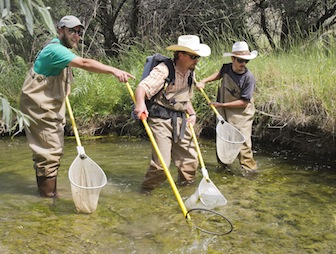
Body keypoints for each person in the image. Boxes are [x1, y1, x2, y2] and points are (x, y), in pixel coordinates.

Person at [20, 15, 135, 198]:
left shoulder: (60, 48)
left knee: (53, 150)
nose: (76, 35)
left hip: (49, 104)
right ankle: (48, 199)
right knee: (49, 153)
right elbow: (84, 63)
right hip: (39, 106)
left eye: (79, 32)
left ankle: (48, 194)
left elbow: (61, 73)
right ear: (60, 31)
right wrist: (114, 70)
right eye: (71, 31)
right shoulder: (55, 50)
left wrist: (65, 88)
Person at [134, 35, 211, 193]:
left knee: (190, 162)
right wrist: (140, 103)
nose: (197, 60)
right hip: (160, 119)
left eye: (198, 56)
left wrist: (192, 113)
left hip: (181, 119)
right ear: (181, 55)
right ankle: (146, 191)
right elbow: (142, 87)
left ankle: (186, 191)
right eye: (193, 56)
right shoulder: (164, 69)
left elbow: (183, 97)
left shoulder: (190, 72)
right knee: (161, 165)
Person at [196, 41, 258, 174]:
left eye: (246, 61)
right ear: (233, 59)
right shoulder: (227, 68)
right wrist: (204, 81)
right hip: (224, 113)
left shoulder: (248, 78)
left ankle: (250, 172)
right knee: (223, 141)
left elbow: (244, 102)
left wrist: (221, 104)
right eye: (240, 60)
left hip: (241, 116)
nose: (243, 64)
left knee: (243, 145)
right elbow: (218, 74)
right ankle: (223, 169)